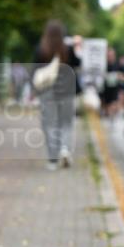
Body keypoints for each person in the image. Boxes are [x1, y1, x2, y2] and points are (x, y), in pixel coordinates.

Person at [33, 20, 82, 170]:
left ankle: (53, 159)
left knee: (49, 124)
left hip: (47, 91)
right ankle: (65, 149)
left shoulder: (41, 49)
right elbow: (78, 64)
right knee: (66, 122)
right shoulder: (67, 49)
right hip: (67, 89)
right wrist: (77, 48)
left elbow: (35, 70)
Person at [101, 47, 123, 122]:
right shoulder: (104, 64)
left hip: (115, 87)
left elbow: (122, 75)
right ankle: (108, 116)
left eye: (111, 55)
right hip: (106, 88)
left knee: (114, 103)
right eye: (108, 55)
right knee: (107, 104)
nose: (110, 57)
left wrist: (119, 76)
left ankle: (112, 118)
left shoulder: (118, 64)